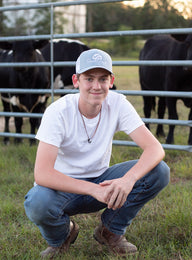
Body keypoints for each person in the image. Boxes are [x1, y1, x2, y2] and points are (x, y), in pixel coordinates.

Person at [24, 48, 170, 258]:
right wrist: (92, 189)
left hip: (103, 183)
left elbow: (155, 148)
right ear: (76, 80)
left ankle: (110, 230)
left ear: (111, 81)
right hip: (64, 189)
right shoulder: (58, 112)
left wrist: (128, 180)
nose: (96, 86)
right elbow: (43, 174)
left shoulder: (118, 103)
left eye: (103, 79)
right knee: (37, 202)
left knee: (159, 171)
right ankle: (62, 236)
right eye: (89, 78)